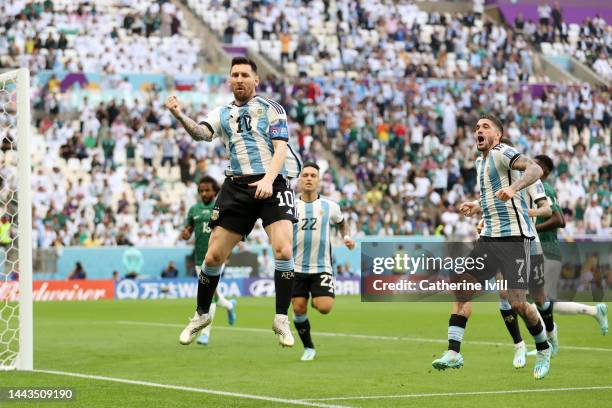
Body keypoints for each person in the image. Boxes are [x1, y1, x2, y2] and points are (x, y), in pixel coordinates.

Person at [168, 57, 301, 348]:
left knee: (284, 248)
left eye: (244, 74)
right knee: (213, 257)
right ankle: (202, 314)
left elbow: (280, 150)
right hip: (237, 186)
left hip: (272, 183)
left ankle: (281, 318)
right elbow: (202, 134)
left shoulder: (271, 109)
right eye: (234, 75)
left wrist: (267, 179)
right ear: (229, 80)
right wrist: (180, 115)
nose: (238, 79)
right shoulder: (222, 112)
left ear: (256, 80)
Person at [432, 114, 552, 380]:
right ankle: (453, 351)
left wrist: (515, 187)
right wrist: (477, 205)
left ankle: (543, 348)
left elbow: (535, 168)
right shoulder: (480, 161)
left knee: (518, 304)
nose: (479, 130)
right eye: (476, 127)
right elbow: (489, 195)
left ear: (498, 135)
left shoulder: (501, 151)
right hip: (489, 239)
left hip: (514, 240)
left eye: (485, 126)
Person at [532, 155, 608, 335]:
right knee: (548, 302)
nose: (528, 166)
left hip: (546, 249)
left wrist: (533, 228)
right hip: (541, 249)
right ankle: (594, 311)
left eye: (534, 163)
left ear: (544, 171)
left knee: (538, 301)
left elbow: (559, 220)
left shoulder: (544, 189)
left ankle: (548, 342)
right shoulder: (536, 188)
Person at [291, 162, 355, 361]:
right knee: (299, 308)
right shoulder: (290, 205)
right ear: (300, 179)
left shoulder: (330, 206)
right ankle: (309, 347)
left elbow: (342, 222)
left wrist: (346, 237)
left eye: (313, 175)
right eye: (305, 175)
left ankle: (315, 298)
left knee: (324, 308)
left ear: (318, 180)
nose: (309, 178)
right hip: (296, 267)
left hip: (322, 268)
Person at [180, 177, 237, 346]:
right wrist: (185, 233)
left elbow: (230, 232)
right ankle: (229, 306)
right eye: (201, 190)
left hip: (217, 257)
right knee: (214, 296)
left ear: (215, 191)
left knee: (209, 297)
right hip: (199, 259)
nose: (204, 193)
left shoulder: (221, 208)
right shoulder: (194, 210)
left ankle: (205, 334)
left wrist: (227, 251)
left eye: (207, 190)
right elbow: (188, 230)